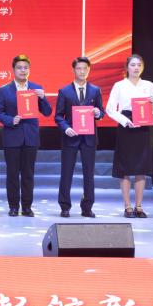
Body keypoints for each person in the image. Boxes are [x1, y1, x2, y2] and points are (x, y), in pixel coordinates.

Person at [0, 55, 52, 217]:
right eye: (19, 67)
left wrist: (43, 98)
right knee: (12, 174)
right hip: (12, 136)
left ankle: (27, 207)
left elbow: (47, 112)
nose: (23, 70)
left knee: (28, 174)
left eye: (25, 67)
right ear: (13, 70)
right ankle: (13, 206)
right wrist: (10, 120)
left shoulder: (36, 88)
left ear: (29, 70)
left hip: (31, 137)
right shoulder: (4, 90)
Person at [105, 54, 153, 218]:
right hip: (126, 125)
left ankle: (139, 206)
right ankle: (127, 206)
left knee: (141, 168)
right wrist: (124, 121)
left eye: (139, 65)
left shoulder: (148, 85)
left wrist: (151, 104)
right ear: (127, 67)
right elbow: (110, 109)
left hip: (143, 125)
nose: (136, 68)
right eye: (133, 65)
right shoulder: (119, 85)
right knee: (125, 168)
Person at [54, 56, 105, 218]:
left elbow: (101, 112)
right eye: (79, 68)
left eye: (85, 69)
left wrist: (98, 113)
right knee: (66, 173)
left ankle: (87, 207)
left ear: (89, 70)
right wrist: (66, 128)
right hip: (71, 137)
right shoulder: (64, 91)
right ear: (73, 70)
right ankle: (65, 206)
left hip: (89, 138)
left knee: (89, 174)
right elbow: (58, 116)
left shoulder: (95, 90)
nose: (82, 71)